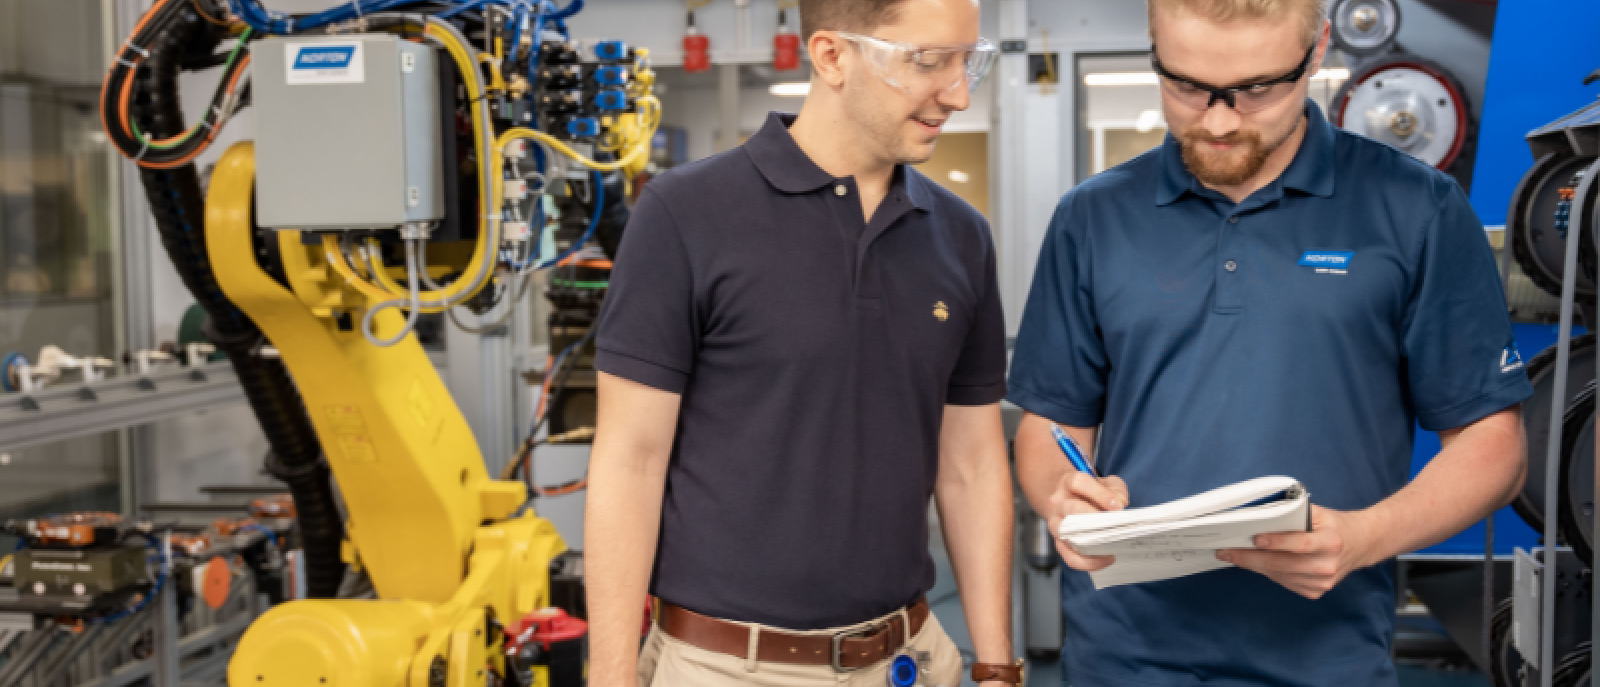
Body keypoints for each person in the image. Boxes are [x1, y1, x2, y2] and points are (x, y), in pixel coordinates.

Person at [1008, 0, 1532, 684]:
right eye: (1187, 86)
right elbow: (1050, 425)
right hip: (1122, 654)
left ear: (1317, 50)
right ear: (1155, 48)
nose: (1220, 120)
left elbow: (1496, 449)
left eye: (1257, 89)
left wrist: (1363, 538)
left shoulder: (1417, 209)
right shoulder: (1092, 216)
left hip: (1326, 656)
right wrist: (1062, 494)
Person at [584, 0, 1023, 685]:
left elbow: (970, 462)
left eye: (969, 61)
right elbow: (629, 463)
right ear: (831, 57)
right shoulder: (683, 214)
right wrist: (609, 676)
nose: (960, 93)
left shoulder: (963, 238)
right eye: (929, 61)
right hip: (726, 666)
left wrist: (997, 666)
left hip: (911, 659)